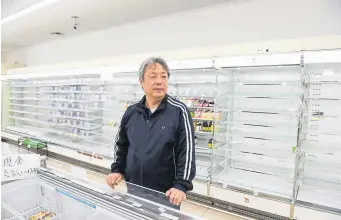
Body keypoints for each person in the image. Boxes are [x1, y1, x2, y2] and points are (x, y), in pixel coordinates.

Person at [106, 57, 196, 209]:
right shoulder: (131, 112)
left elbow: (187, 152)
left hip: (167, 193)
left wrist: (181, 185)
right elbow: (122, 145)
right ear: (141, 82)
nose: (159, 81)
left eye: (164, 76)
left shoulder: (179, 111)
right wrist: (117, 170)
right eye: (153, 76)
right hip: (133, 189)